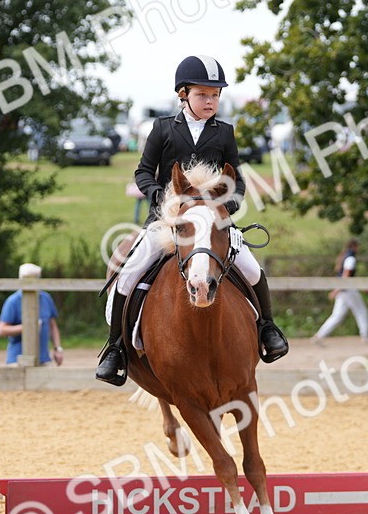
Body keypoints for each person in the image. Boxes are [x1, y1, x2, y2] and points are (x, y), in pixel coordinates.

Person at [96, 55, 289, 386]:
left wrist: (229, 204)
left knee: (252, 269)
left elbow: (237, 181)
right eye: (203, 94)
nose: (210, 101)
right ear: (183, 94)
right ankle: (115, 349)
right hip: (168, 222)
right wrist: (160, 196)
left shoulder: (225, 133)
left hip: (212, 222)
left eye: (215, 95)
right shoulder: (163, 129)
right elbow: (143, 171)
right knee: (128, 275)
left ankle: (267, 329)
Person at [0, 263, 63, 366]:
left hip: (44, 359)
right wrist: (28, 327)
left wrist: (57, 348)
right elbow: (1, 330)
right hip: (17, 360)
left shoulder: (46, 298)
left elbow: (52, 325)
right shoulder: (12, 301)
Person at [312, 238, 368, 344]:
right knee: (361, 312)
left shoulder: (345, 257)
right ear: (354, 246)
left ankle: (319, 336)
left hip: (344, 291)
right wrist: (337, 289)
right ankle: (366, 336)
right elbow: (346, 276)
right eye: (358, 246)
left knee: (337, 315)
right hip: (349, 290)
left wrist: (338, 289)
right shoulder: (351, 259)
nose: (358, 249)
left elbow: (346, 277)